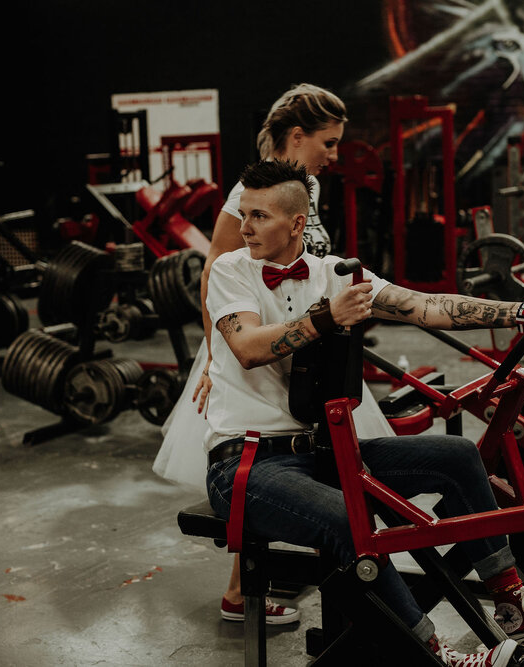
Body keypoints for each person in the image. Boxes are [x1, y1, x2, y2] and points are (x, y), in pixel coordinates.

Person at [204, 159, 524, 666]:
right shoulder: (231, 271)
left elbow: (425, 307)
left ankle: (511, 598)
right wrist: (326, 317)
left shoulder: (334, 274)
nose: (245, 227)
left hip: (320, 455)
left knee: (456, 456)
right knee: (349, 521)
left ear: (297, 223)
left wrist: (522, 312)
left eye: (259, 216)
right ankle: (434, 655)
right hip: (247, 464)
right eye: (245, 214)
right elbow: (250, 347)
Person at [153, 83, 394, 625]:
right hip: (254, 343)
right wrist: (217, 358)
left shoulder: (301, 188)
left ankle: (329, 574)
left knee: (317, 461)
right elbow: (216, 269)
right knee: (262, 460)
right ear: (297, 136)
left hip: (312, 350)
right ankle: (242, 593)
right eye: (327, 143)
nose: (334, 155)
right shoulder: (253, 191)